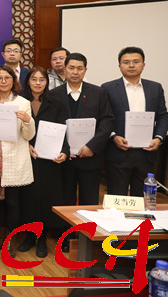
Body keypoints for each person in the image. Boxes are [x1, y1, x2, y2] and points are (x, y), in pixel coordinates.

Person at [49, 53, 113, 252]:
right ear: (64, 69)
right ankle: (67, 237)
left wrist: (92, 146)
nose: (75, 72)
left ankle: (87, 238)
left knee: (89, 200)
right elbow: (51, 125)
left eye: (79, 68)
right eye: (71, 68)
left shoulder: (98, 93)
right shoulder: (54, 94)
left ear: (85, 70)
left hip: (90, 157)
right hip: (64, 159)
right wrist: (63, 149)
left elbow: (107, 121)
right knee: (65, 199)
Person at [102, 47, 168, 197]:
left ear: (143, 65)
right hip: (118, 152)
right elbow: (104, 117)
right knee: (117, 198)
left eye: (136, 61)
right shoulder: (108, 88)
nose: (131, 65)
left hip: (147, 153)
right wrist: (113, 136)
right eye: (126, 62)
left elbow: (163, 116)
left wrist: (159, 138)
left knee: (142, 199)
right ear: (120, 66)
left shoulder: (155, 88)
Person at [0, 65, 35, 258]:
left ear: (14, 81)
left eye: (7, 78)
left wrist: (28, 120)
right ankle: (0, 236)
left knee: (13, 202)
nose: (3, 81)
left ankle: (11, 240)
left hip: (14, 158)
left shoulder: (23, 102)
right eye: (0, 78)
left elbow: (28, 135)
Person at [20, 67, 69, 258]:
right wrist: (26, 145)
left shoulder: (56, 103)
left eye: (42, 79)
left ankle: (42, 238)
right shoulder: (21, 102)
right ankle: (29, 236)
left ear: (47, 82)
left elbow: (64, 130)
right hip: (27, 157)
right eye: (34, 79)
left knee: (46, 197)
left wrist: (65, 151)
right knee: (28, 198)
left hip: (49, 159)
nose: (38, 83)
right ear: (28, 81)